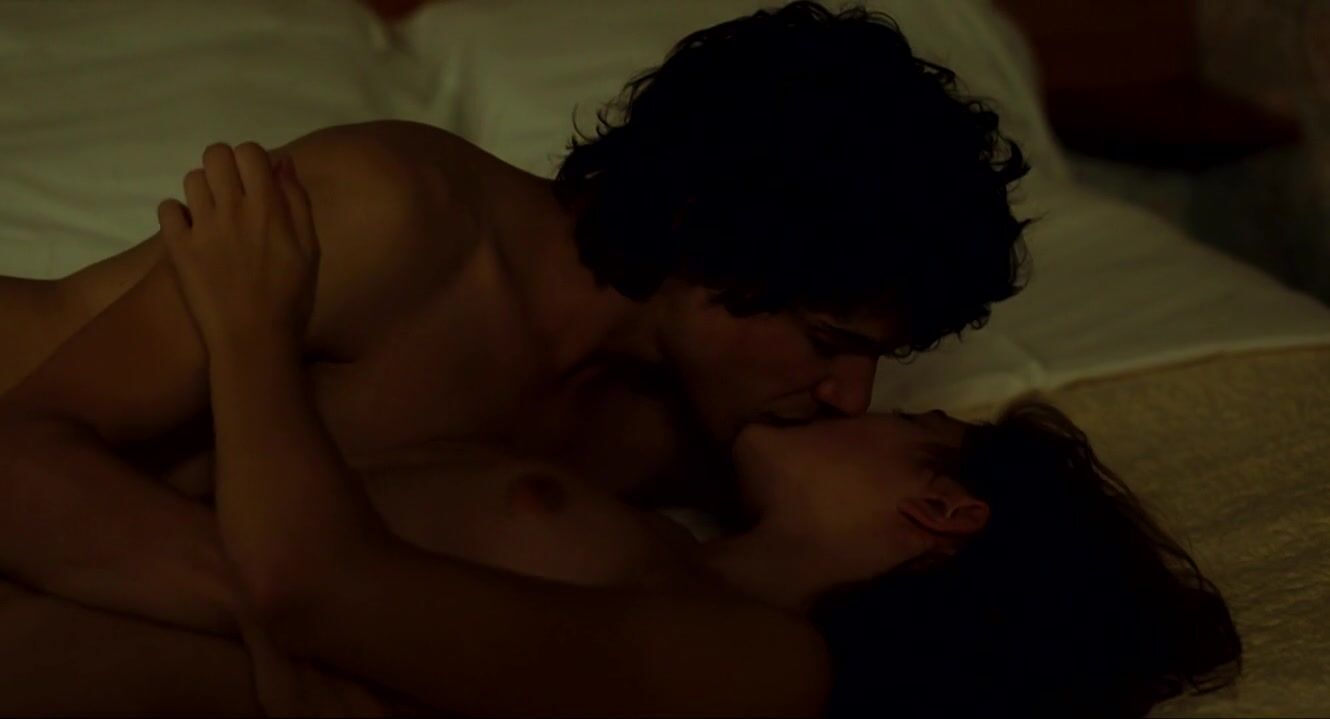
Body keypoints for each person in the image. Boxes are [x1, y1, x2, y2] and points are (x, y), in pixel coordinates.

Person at [0, 0, 1028, 711]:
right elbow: (17, 454)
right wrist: (282, 626)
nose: (851, 395)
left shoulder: (693, 436)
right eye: (827, 341)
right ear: (707, 238)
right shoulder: (396, 220)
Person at [163, 146, 1241, 717]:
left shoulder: (772, 664)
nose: (849, 401)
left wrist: (250, 327)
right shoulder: (665, 540)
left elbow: (314, 585)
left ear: (940, 508)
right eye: (832, 346)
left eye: (906, 411)